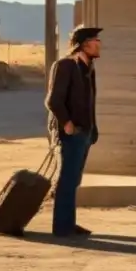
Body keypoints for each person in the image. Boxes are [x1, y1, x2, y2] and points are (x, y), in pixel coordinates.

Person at [45, 24, 101, 238]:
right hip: (70, 133)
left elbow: (89, 101)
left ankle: (70, 223)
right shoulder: (65, 65)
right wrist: (66, 124)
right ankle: (61, 227)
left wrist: (93, 128)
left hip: (85, 131)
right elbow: (53, 100)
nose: (99, 45)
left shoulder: (88, 68)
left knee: (74, 179)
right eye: (96, 41)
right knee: (67, 179)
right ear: (85, 45)